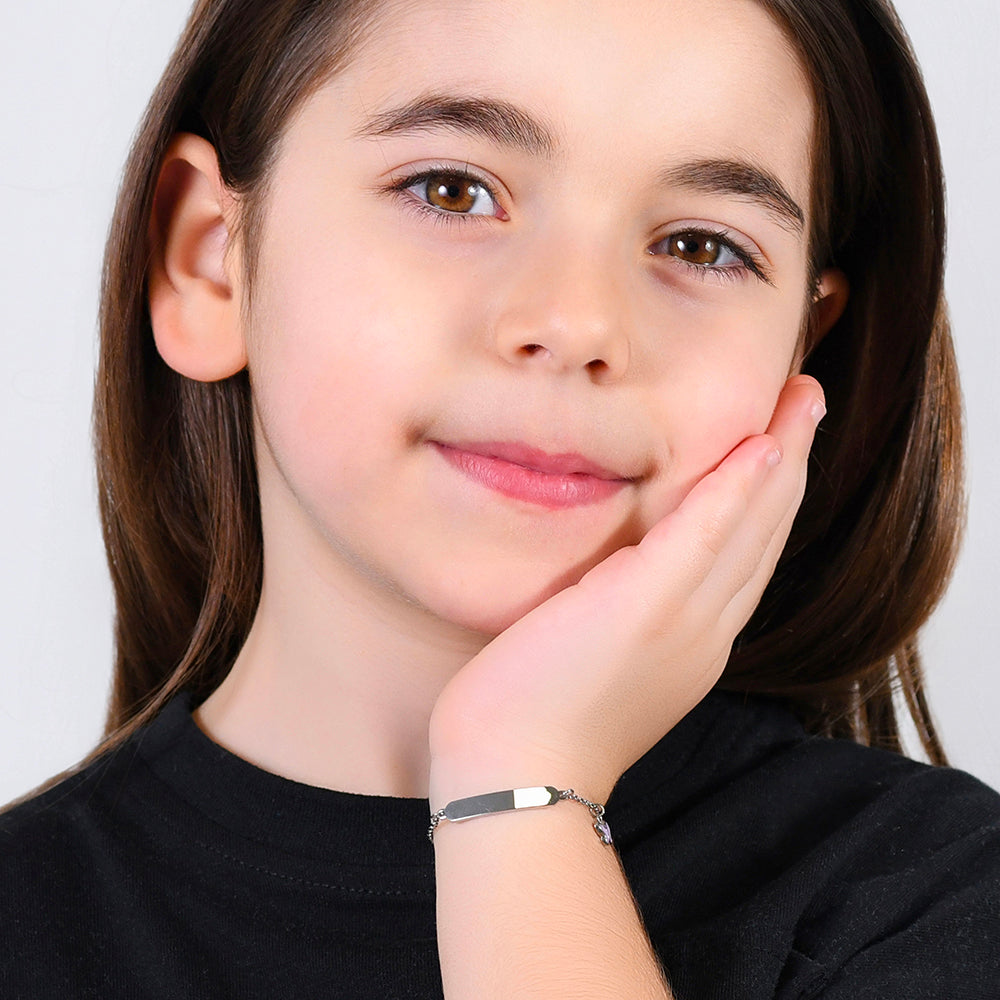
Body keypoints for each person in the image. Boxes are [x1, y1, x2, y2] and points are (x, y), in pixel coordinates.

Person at [2, 0, 997, 996]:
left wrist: (523, 784)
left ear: (800, 350)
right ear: (209, 259)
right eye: (452, 191)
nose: (577, 323)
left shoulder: (936, 902)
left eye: (701, 247)